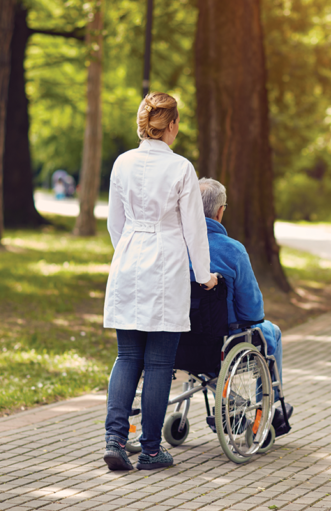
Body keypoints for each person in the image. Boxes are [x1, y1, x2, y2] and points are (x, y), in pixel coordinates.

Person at [102, 92, 218, 471]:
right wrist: (205, 276)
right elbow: (194, 230)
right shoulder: (181, 168)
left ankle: (115, 441)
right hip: (165, 266)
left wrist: (130, 253)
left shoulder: (122, 163)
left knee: (127, 356)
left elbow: (114, 223)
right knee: (157, 363)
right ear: (171, 126)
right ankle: (151, 450)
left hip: (128, 261)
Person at [196, 178, 292, 430]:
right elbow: (253, 312)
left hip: (180, 339)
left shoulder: (174, 245)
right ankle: (271, 405)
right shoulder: (233, 251)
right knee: (272, 332)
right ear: (220, 211)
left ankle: (230, 402)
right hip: (224, 340)